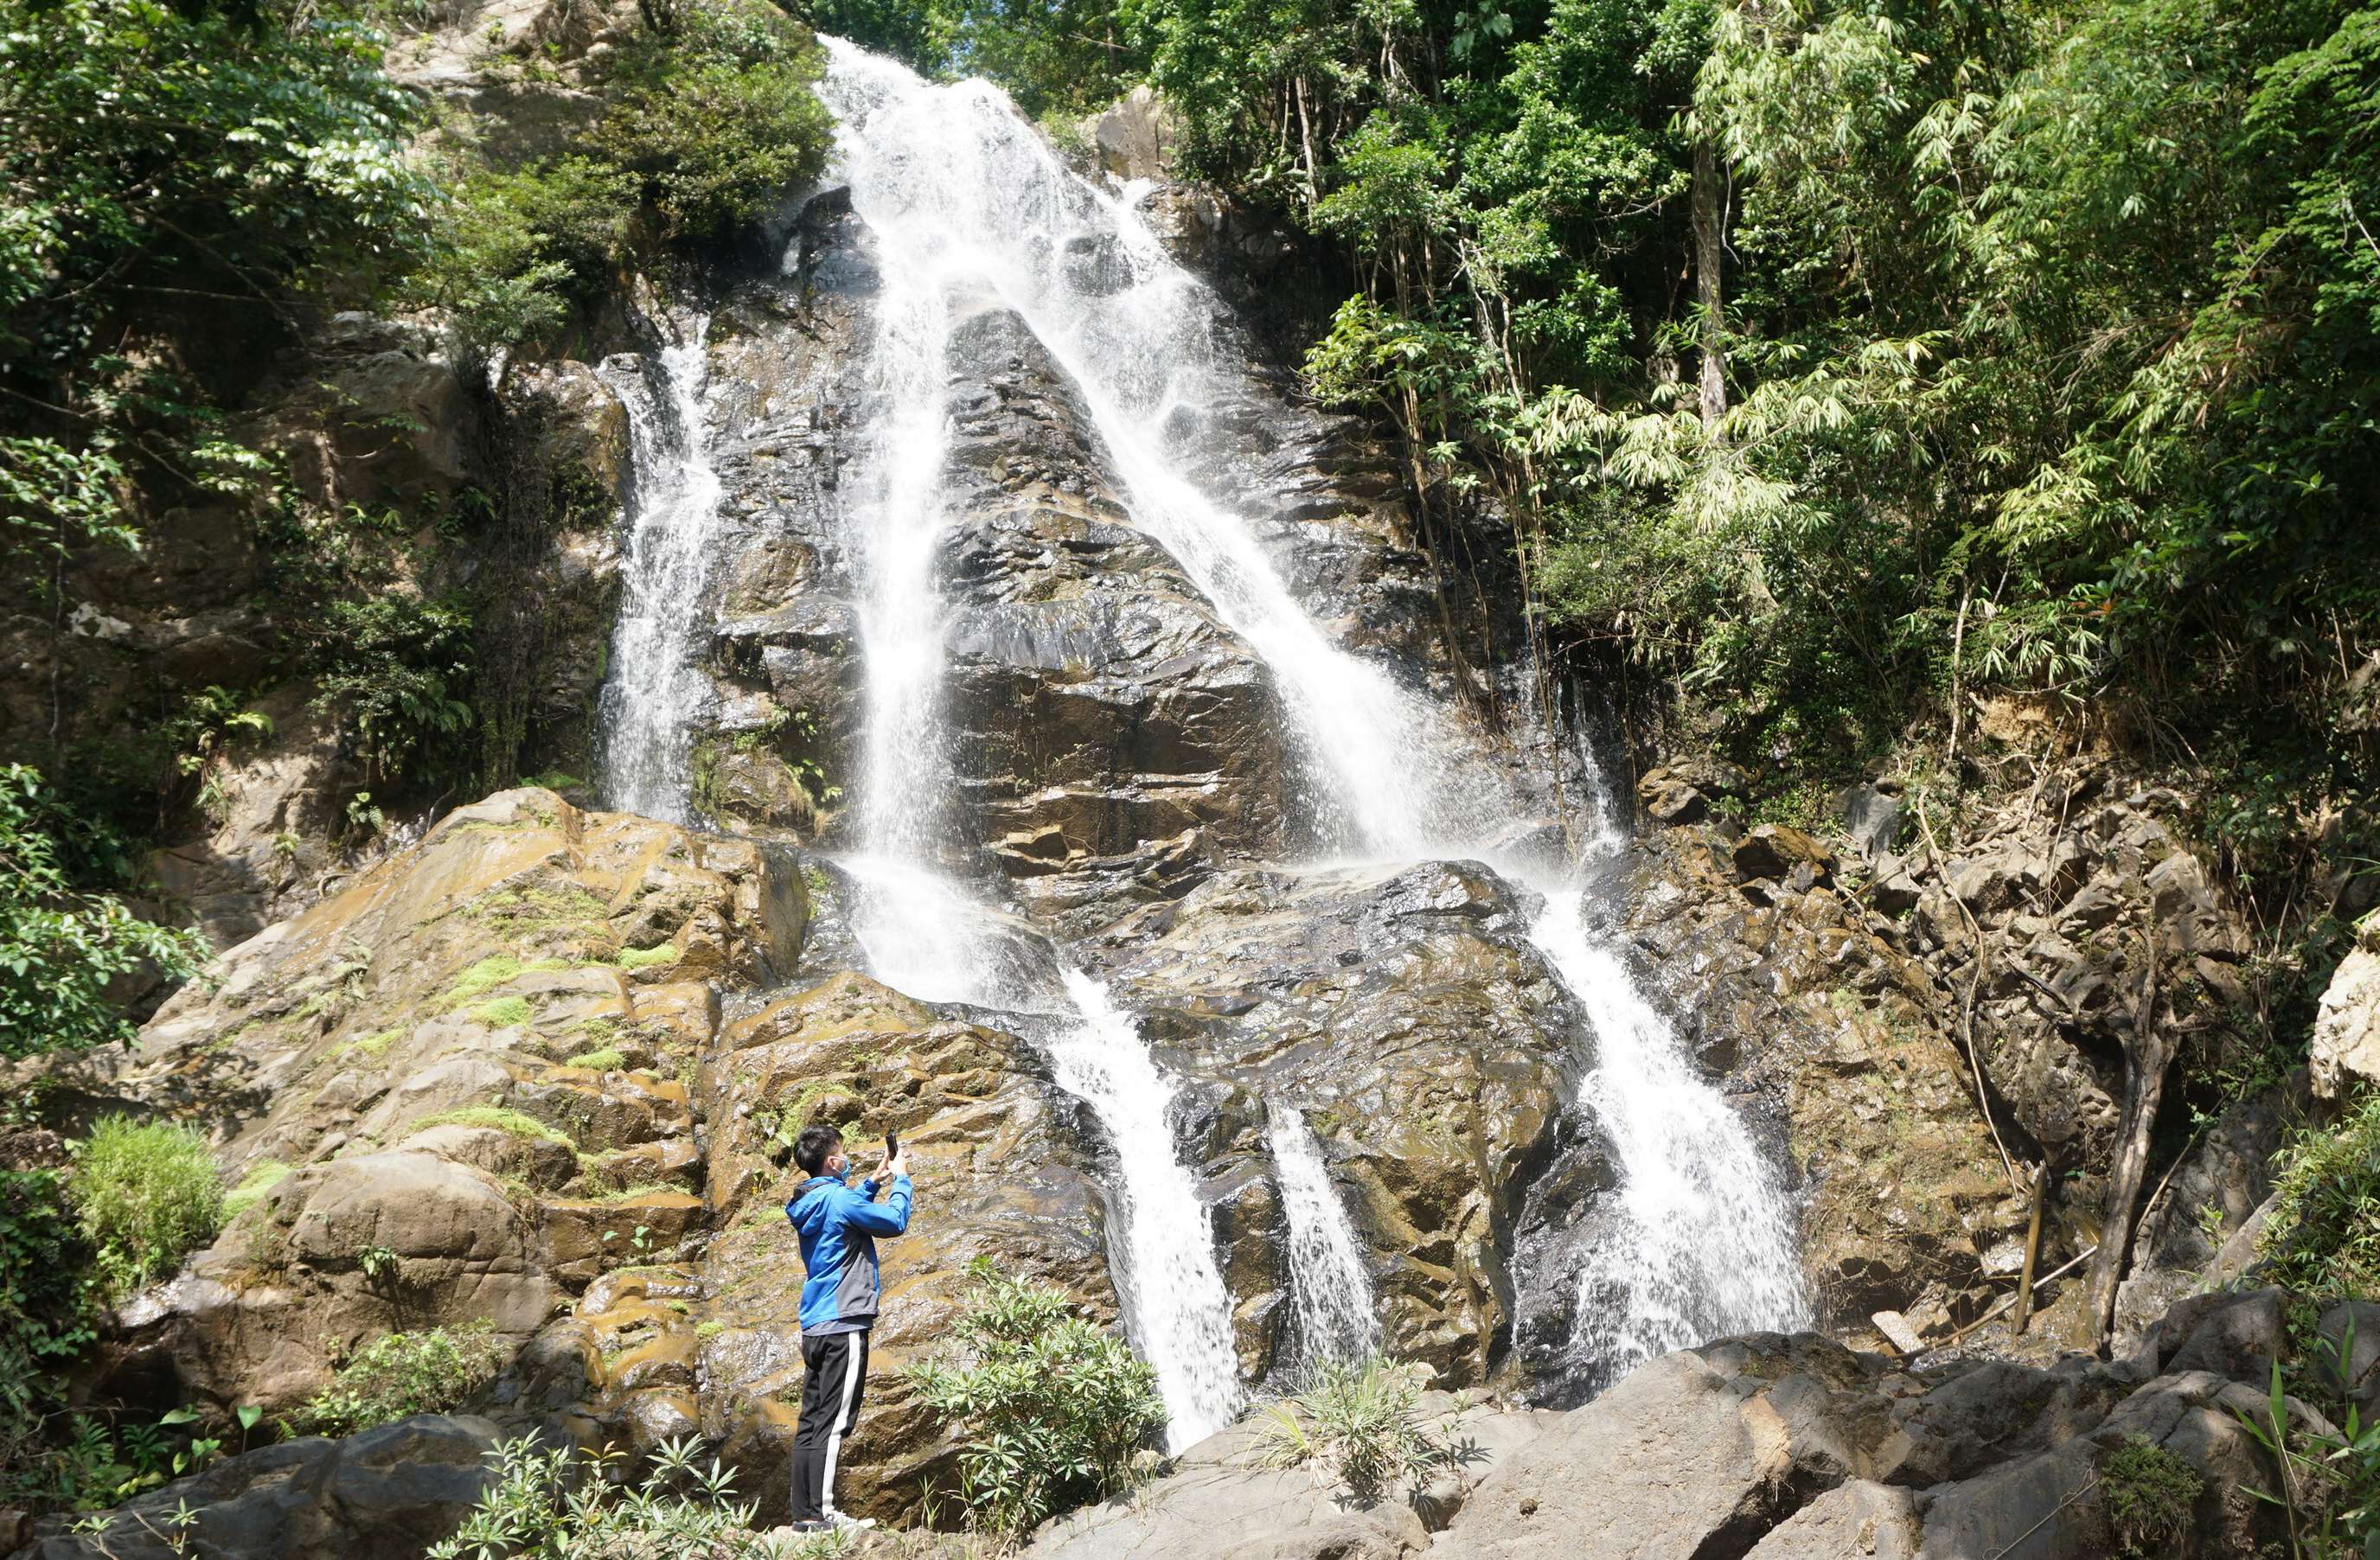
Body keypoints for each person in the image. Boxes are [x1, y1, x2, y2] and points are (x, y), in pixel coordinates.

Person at [784, 1121, 912, 1533]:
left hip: (816, 1325)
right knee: (835, 1422)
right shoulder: (838, 1198)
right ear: (834, 1160)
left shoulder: (813, 1200)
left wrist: (872, 1181)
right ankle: (823, 1516)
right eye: (843, 1151)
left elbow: (843, 1215)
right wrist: (902, 1181)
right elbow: (893, 1222)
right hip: (844, 1324)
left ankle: (804, 1514)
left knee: (811, 1422)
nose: (848, 1157)